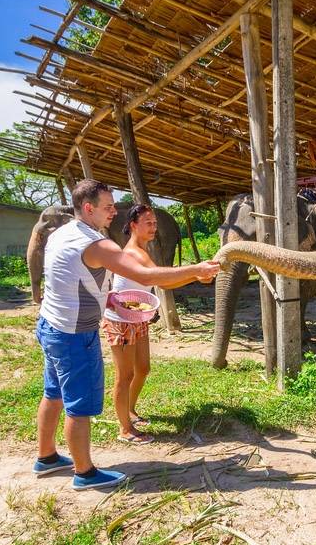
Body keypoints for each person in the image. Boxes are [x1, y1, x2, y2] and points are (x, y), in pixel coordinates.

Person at [32, 180, 219, 490]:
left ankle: (47, 457)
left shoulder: (62, 233)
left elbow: (71, 279)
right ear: (88, 208)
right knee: (79, 406)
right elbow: (144, 276)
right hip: (74, 335)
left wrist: (109, 298)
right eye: (108, 207)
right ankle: (84, 473)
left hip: (50, 325)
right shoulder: (98, 244)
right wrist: (195, 270)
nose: (114, 211)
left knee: (53, 394)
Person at [102, 204, 191, 445]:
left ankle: (129, 411)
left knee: (142, 369)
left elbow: (164, 282)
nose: (153, 227)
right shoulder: (133, 253)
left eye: (154, 223)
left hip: (138, 316)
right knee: (124, 375)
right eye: (148, 223)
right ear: (133, 225)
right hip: (121, 319)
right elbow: (162, 280)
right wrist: (196, 272)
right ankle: (124, 429)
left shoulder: (142, 249)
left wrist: (195, 275)